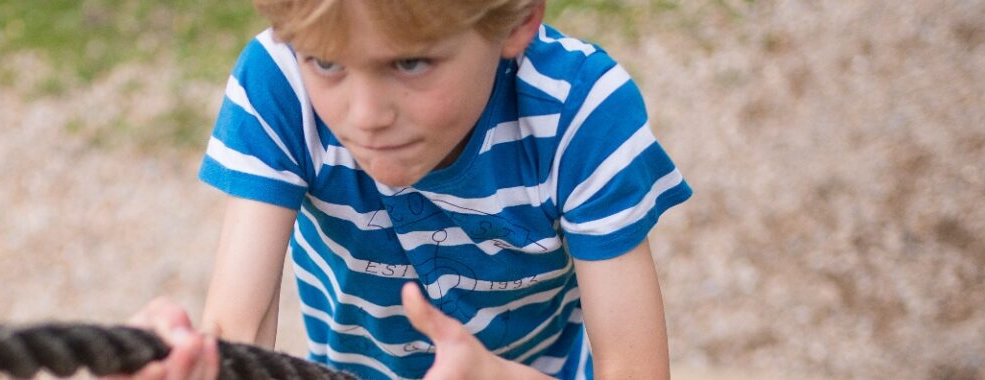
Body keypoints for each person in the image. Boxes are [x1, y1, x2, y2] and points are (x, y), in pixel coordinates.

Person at [118, 0, 690, 378]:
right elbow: (237, 332)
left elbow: (635, 369)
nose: (366, 117)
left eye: (411, 63)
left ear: (516, 22)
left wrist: (488, 375)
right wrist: (189, 362)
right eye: (327, 62)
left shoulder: (581, 115)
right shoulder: (281, 81)